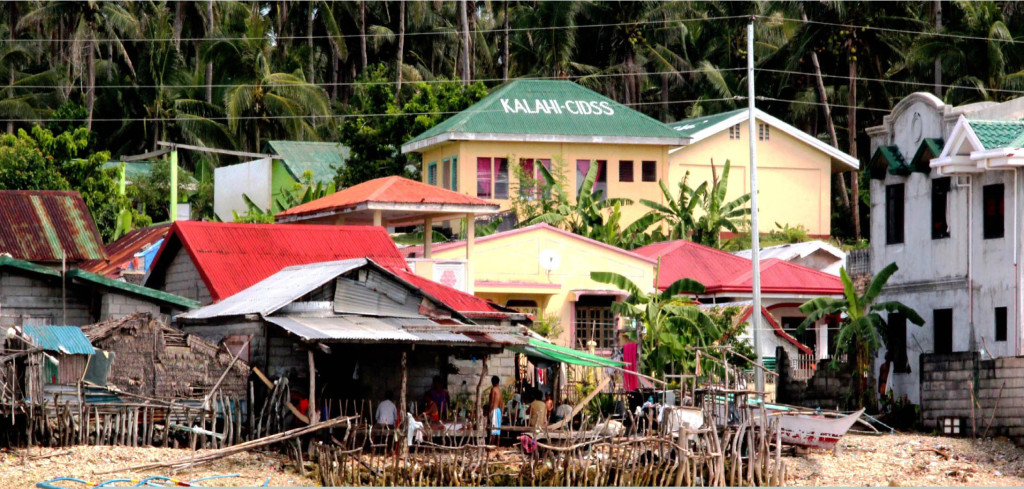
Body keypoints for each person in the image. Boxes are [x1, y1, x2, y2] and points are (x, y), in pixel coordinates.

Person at [488, 376, 503, 445]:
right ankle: (497, 445)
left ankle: (491, 446)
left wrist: (489, 411)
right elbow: (500, 402)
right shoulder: (500, 390)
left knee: (493, 430)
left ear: (492, 382)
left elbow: (491, 401)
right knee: (498, 430)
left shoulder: (493, 389)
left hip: (494, 410)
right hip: (498, 410)